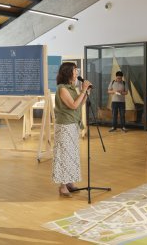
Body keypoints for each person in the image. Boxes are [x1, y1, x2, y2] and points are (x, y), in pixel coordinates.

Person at [53, 62, 92, 198]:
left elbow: (79, 103)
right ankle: (62, 186)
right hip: (64, 127)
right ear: (68, 72)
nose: (77, 73)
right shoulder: (62, 88)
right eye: (75, 70)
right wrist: (83, 90)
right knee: (64, 155)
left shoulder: (71, 88)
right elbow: (73, 105)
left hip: (73, 125)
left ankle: (69, 182)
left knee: (72, 155)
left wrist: (85, 93)